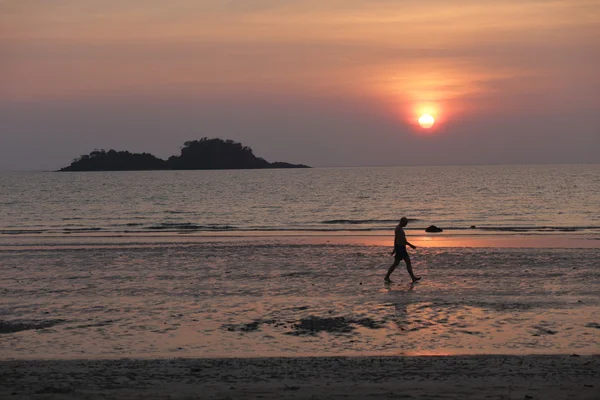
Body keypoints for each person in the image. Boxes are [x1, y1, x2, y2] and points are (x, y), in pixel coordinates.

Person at [384, 217, 421, 283]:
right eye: (405, 223)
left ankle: (413, 278)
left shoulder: (399, 228)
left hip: (401, 248)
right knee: (400, 263)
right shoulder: (398, 229)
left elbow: (396, 240)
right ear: (402, 221)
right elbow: (401, 240)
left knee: (400, 263)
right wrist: (410, 245)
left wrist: (394, 250)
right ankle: (387, 277)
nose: (406, 224)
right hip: (400, 249)